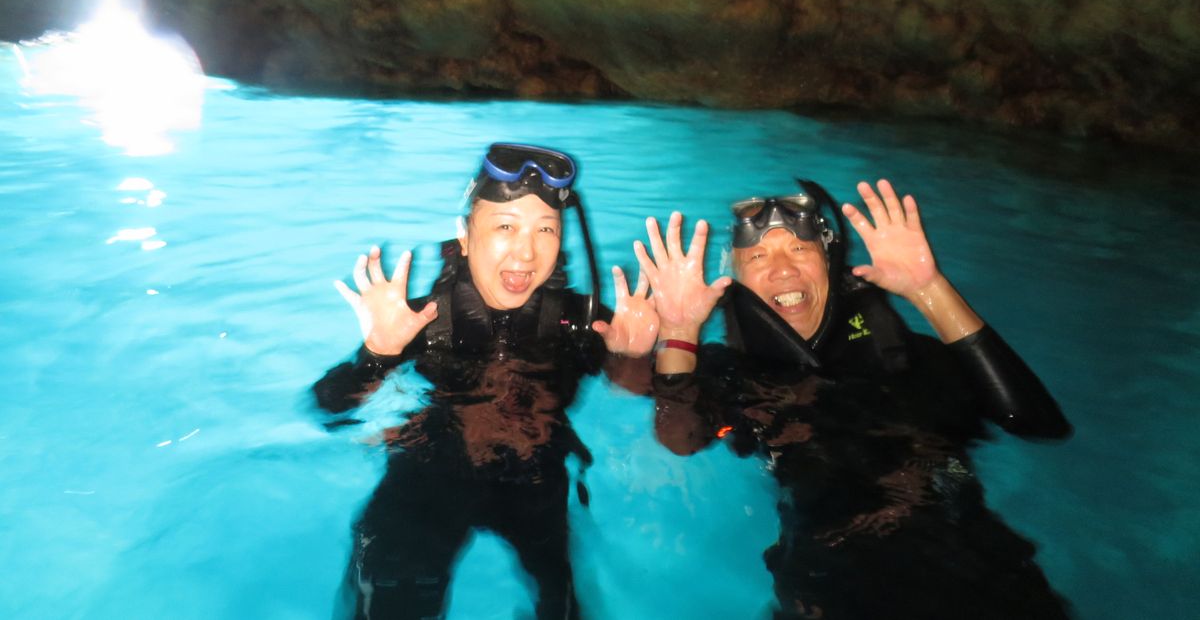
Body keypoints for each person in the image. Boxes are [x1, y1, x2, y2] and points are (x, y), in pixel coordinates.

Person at [634, 178, 1072, 619]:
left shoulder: (910, 359)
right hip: (835, 577)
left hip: (978, 566)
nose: (783, 270)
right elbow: (680, 439)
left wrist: (928, 288)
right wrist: (679, 330)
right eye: (759, 257)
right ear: (736, 283)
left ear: (830, 263)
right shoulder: (730, 373)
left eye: (800, 249)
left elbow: (1036, 423)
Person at [312, 144, 657, 620]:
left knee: (561, 607)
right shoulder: (420, 321)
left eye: (545, 229)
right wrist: (377, 355)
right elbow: (329, 406)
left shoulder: (583, 323)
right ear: (466, 236)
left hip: (535, 481)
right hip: (429, 477)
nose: (526, 252)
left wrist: (633, 357)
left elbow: (651, 402)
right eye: (505, 227)